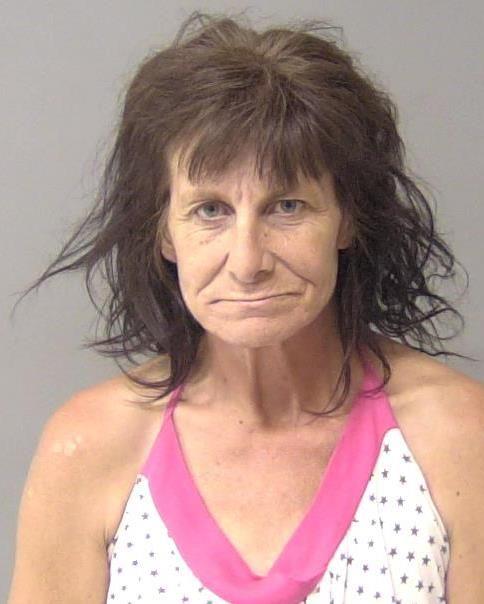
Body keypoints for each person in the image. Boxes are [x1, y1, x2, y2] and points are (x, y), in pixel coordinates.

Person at [7, 10, 484, 604]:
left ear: (347, 219)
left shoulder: (459, 435)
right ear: (163, 232)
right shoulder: (89, 448)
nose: (247, 261)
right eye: (210, 210)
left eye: (287, 206)